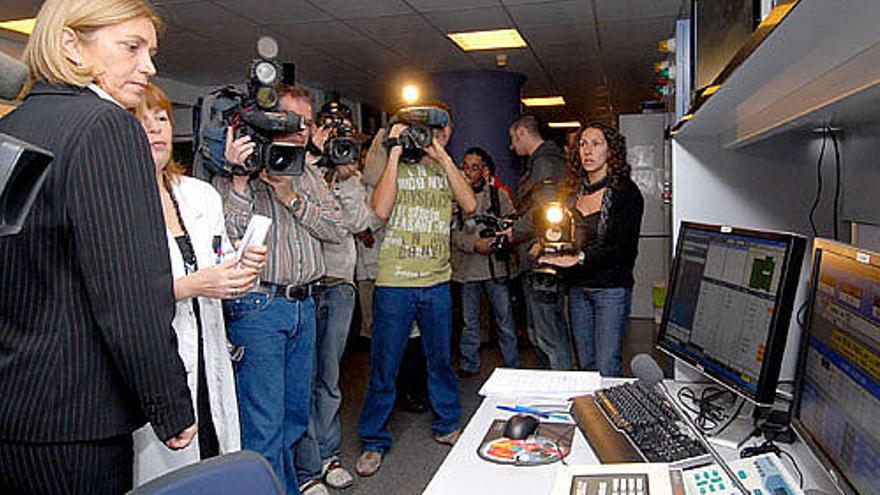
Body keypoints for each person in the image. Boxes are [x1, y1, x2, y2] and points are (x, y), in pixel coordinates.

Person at [0, 1, 197, 493]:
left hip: (15, 409)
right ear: (71, 44)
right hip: (75, 419)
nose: (148, 66)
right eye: (131, 47)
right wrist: (170, 403)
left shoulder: (13, 127)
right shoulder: (106, 127)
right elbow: (130, 294)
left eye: (150, 51)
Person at [131, 84, 267, 485]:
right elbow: (117, 297)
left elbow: (221, 265)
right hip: (158, 362)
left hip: (210, 353)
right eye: (141, 120)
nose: (155, 129)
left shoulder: (199, 194)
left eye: (161, 119)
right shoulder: (116, 203)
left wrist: (244, 268)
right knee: (168, 476)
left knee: (214, 453)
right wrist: (192, 284)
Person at [216, 85, 346, 495]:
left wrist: (291, 197)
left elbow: (337, 228)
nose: (302, 130)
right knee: (264, 423)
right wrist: (239, 179)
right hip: (259, 307)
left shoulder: (307, 172)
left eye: (307, 123)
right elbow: (229, 238)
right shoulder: (240, 172)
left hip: (305, 304)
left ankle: (290, 486)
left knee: (293, 415)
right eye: (293, 120)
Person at [356, 105, 476, 477]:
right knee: (384, 366)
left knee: (440, 360)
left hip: (437, 280)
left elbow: (469, 203)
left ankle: (446, 424)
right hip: (395, 281)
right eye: (423, 130)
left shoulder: (444, 166)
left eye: (439, 129)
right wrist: (394, 149)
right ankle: (374, 439)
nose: (432, 135)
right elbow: (380, 208)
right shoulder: (396, 165)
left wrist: (439, 154)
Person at [294, 102, 381, 494]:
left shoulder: (349, 173)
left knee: (329, 378)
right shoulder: (295, 164)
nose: (333, 137)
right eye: (324, 127)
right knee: (304, 377)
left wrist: (347, 180)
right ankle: (307, 466)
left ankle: (328, 456)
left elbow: (360, 223)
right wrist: (312, 158)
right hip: (307, 282)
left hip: (340, 282)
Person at [539, 122, 644, 376]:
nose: (588, 151)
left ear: (611, 150)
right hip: (577, 289)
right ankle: (589, 416)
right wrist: (550, 251)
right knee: (585, 367)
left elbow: (624, 249)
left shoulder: (626, 193)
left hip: (610, 289)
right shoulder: (572, 194)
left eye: (596, 144)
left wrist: (579, 258)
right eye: (583, 144)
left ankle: (608, 416)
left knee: (607, 366)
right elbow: (562, 235)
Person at [507, 114, 573, 370]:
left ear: (522, 132)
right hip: (537, 259)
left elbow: (542, 213)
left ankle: (561, 394)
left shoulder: (544, 163)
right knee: (541, 335)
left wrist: (514, 231)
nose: (512, 147)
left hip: (541, 260)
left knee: (549, 337)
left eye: (513, 139)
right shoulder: (546, 161)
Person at [452, 147, 520, 376]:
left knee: (504, 320)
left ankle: (512, 364)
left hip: (494, 267)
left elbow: (512, 222)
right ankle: (469, 363)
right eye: (465, 166)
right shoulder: (454, 197)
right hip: (468, 267)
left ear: (484, 170)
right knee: (469, 321)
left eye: (474, 167)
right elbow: (450, 233)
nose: (469, 172)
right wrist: (474, 244)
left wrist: (497, 236)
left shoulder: (497, 196)